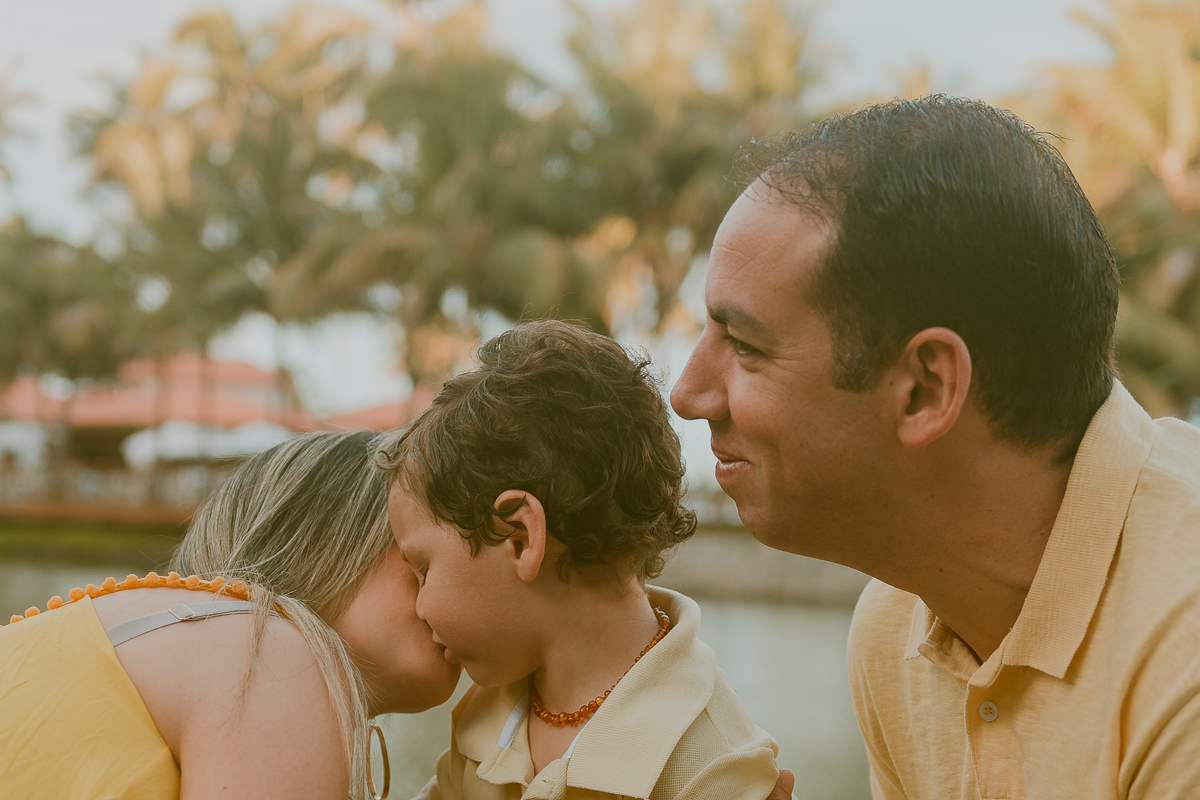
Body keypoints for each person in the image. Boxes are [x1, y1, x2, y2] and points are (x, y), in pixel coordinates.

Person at [670, 94, 1200, 799]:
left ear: (924, 389)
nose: (688, 393)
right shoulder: (898, 628)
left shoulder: (1183, 662)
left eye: (744, 345)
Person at [377, 319, 787, 800]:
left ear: (519, 538)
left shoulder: (710, 763)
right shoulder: (490, 717)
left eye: (423, 569)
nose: (419, 607)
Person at [0, 430, 462, 799]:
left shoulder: (137, 639)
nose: (459, 573)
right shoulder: (267, 651)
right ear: (322, 540)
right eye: (421, 555)